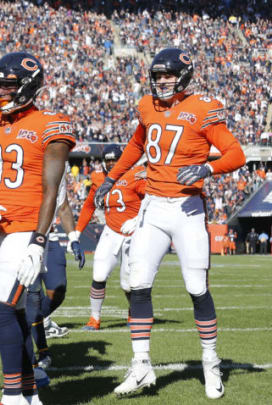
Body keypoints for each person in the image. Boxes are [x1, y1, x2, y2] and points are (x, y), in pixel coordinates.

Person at [94, 48, 245, 399]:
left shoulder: (203, 107)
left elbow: (236, 153)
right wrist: (111, 178)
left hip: (187, 209)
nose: (161, 81)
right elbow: (136, 145)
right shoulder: (147, 106)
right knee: (137, 283)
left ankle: (211, 363)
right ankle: (142, 365)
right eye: (157, 75)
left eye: (168, 75)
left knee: (196, 289)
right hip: (153, 207)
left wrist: (208, 167)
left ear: (184, 75)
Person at [0, 52, 75, 405]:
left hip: (25, 230)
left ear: (28, 86)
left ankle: (11, 397)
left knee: (1, 309)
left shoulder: (52, 125)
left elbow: (52, 190)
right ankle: (29, 393)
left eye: (8, 85)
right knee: (16, 315)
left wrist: (39, 241)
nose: (1, 91)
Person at [76, 146, 146, 331]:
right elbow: (89, 205)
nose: (111, 164)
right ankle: (94, 318)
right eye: (108, 161)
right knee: (98, 273)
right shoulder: (99, 178)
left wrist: (138, 219)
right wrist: (76, 232)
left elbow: (152, 198)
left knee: (128, 282)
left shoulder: (135, 174)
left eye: (114, 160)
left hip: (134, 232)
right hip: (111, 231)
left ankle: (134, 311)